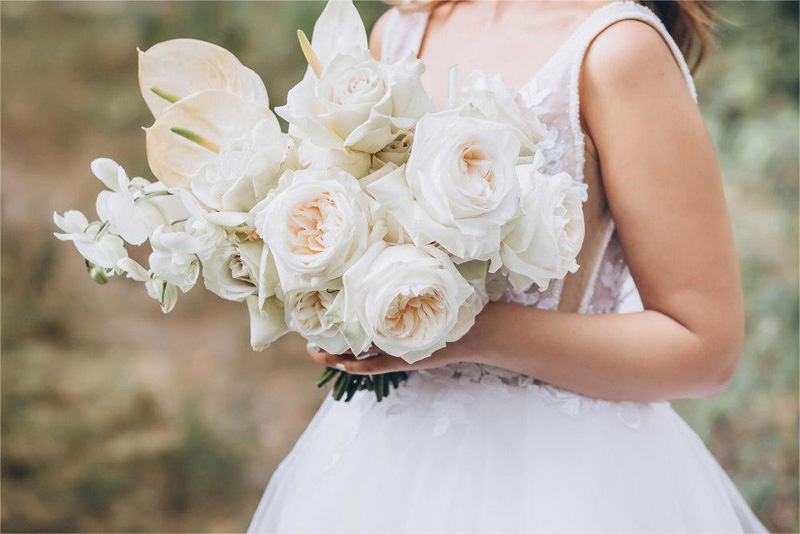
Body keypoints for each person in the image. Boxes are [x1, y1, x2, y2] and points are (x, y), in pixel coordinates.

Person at [248, 1, 766, 531]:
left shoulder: (616, 50)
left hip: (562, 480)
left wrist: (465, 331)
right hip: (377, 461)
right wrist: (333, 297)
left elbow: (705, 349)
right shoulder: (400, 32)